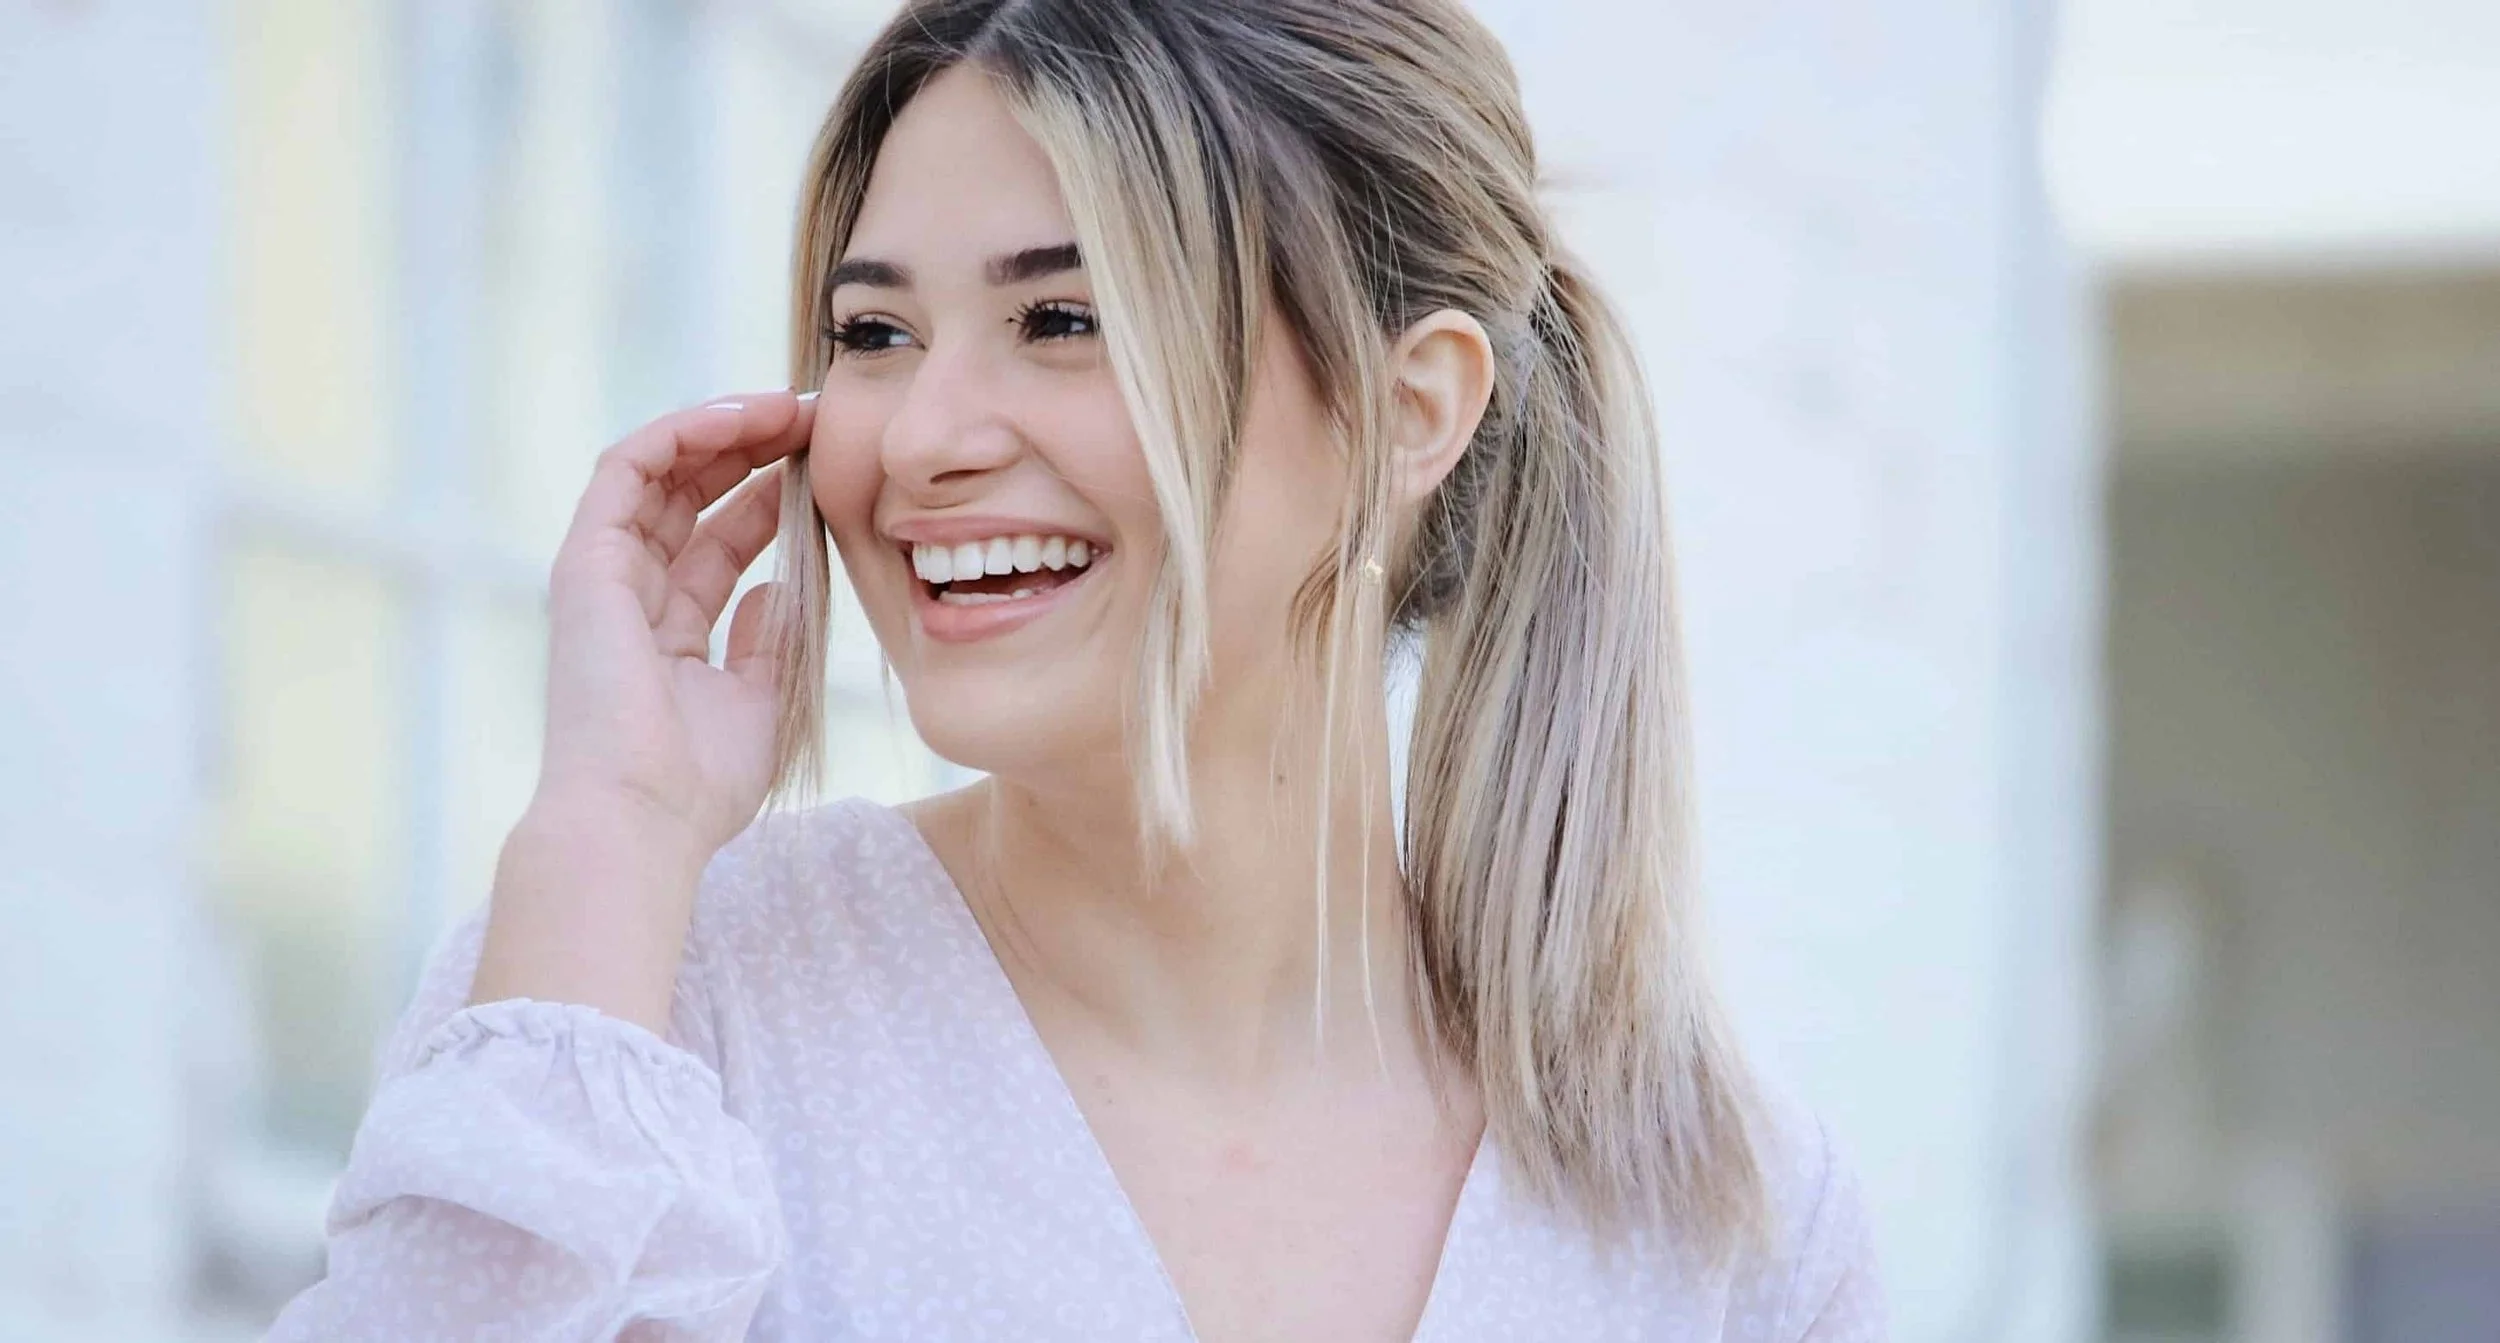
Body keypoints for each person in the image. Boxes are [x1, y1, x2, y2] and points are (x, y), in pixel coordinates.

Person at [269, 1, 1883, 1338]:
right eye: (876, 334)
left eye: (1063, 317)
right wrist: (611, 825)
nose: (925, 439)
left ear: (1412, 410)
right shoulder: (645, 1005)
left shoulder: (1723, 1219)